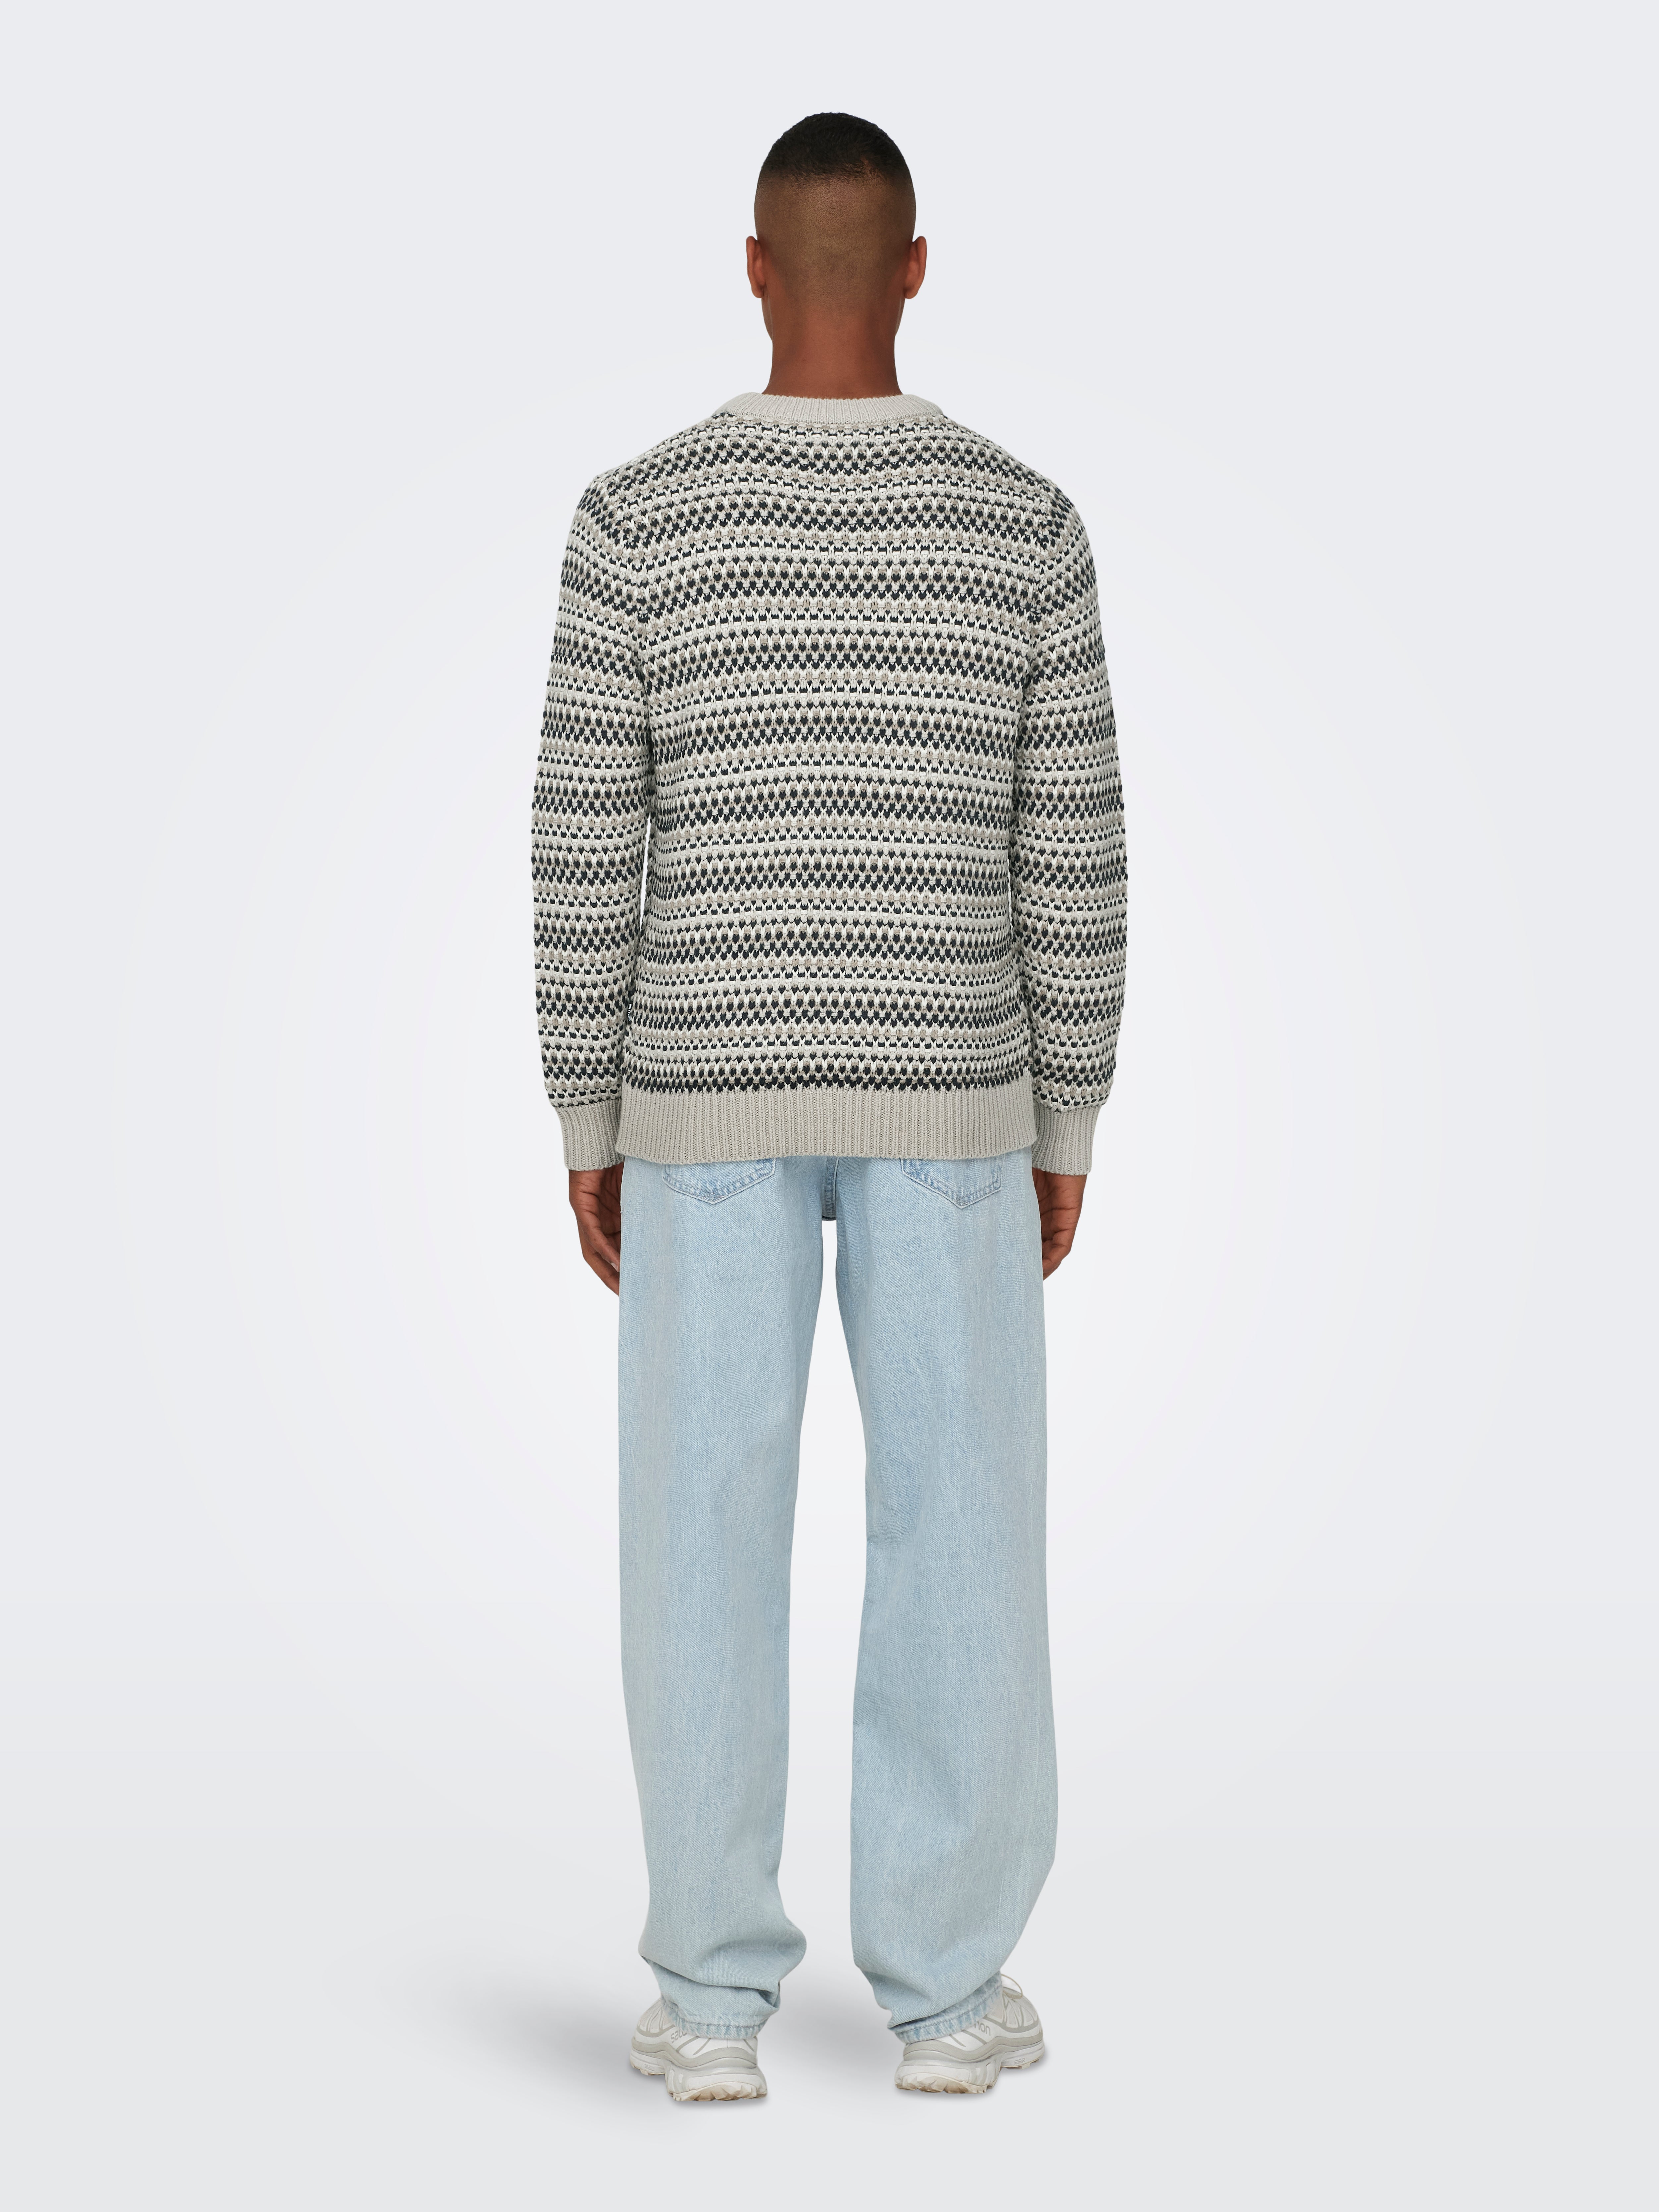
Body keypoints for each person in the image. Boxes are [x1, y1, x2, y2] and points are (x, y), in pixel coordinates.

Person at [532, 111, 1126, 2099]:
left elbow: (584, 837)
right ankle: (946, 2000)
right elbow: (1077, 850)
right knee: (965, 1528)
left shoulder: (638, 522)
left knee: (697, 1532)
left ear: (757, 268)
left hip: (700, 1082)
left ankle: (712, 2005)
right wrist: (1069, 1116)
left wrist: (585, 1111)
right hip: (955, 1079)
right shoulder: (1022, 525)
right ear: (919, 268)